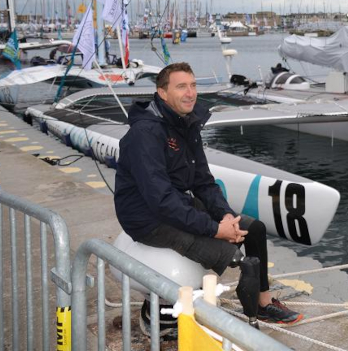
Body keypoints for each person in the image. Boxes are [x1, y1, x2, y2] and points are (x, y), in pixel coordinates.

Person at [114, 62, 302, 336]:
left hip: (175, 205)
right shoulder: (146, 134)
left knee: (253, 229)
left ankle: (263, 303)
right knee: (236, 257)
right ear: (162, 93)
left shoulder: (185, 124)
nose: (190, 93)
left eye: (193, 86)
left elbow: (203, 181)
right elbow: (161, 200)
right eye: (181, 87)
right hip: (147, 218)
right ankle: (250, 330)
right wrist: (215, 230)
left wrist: (225, 215)